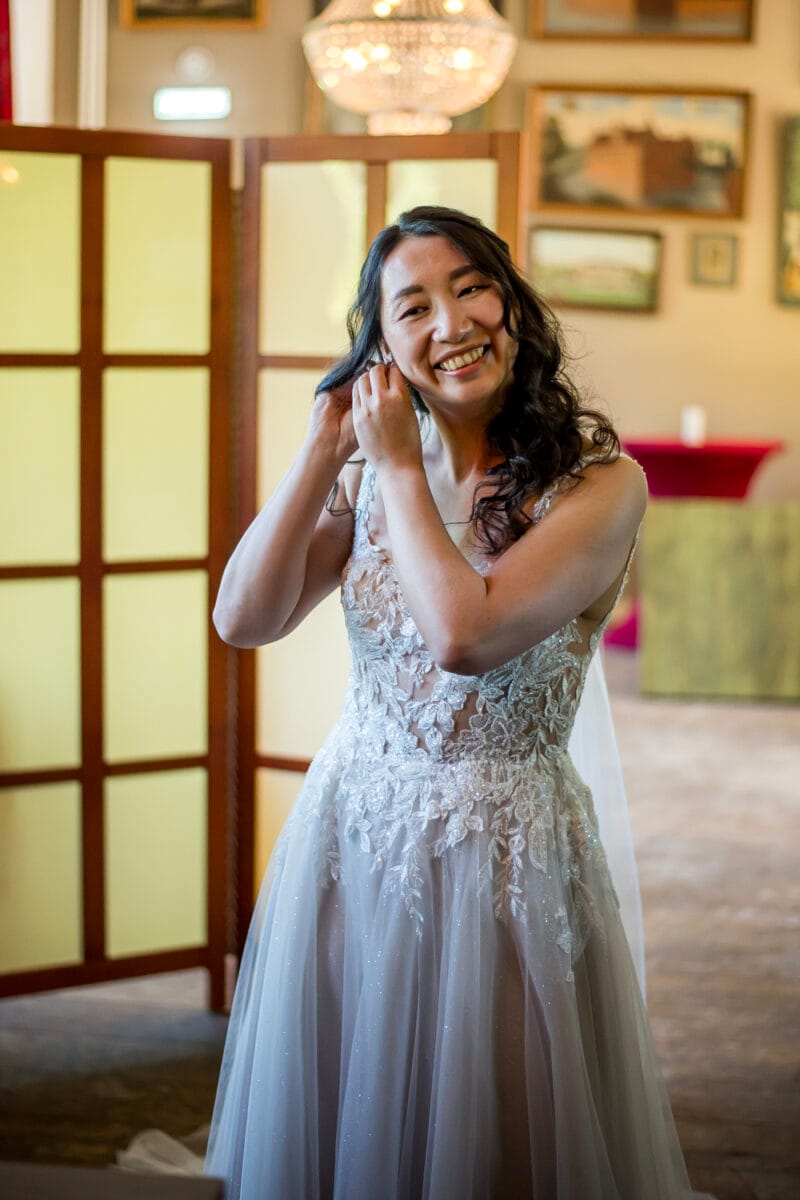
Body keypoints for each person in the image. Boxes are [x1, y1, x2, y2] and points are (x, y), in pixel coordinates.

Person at [204, 206, 705, 1199]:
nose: (450, 320)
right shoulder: (362, 472)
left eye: (470, 285)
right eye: (412, 305)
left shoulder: (599, 489)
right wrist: (320, 452)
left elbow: (464, 637)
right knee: (345, 1116)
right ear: (380, 346)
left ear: (511, 305)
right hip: (355, 835)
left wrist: (391, 466)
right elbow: (244, 617)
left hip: (508, 857)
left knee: (502, 1142)